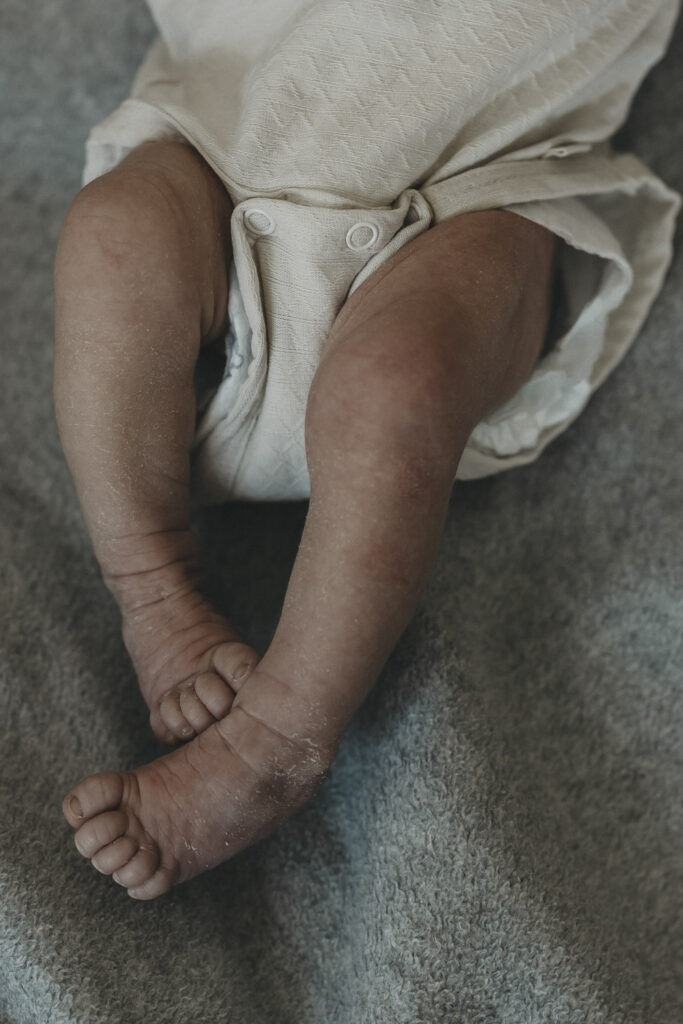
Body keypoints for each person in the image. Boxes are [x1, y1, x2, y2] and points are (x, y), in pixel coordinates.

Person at [58, 0, 680, 899]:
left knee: (402, 380)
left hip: (476, 185)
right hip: (222, 158)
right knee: (114, 233)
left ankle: (277, 740)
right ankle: (150, 586)